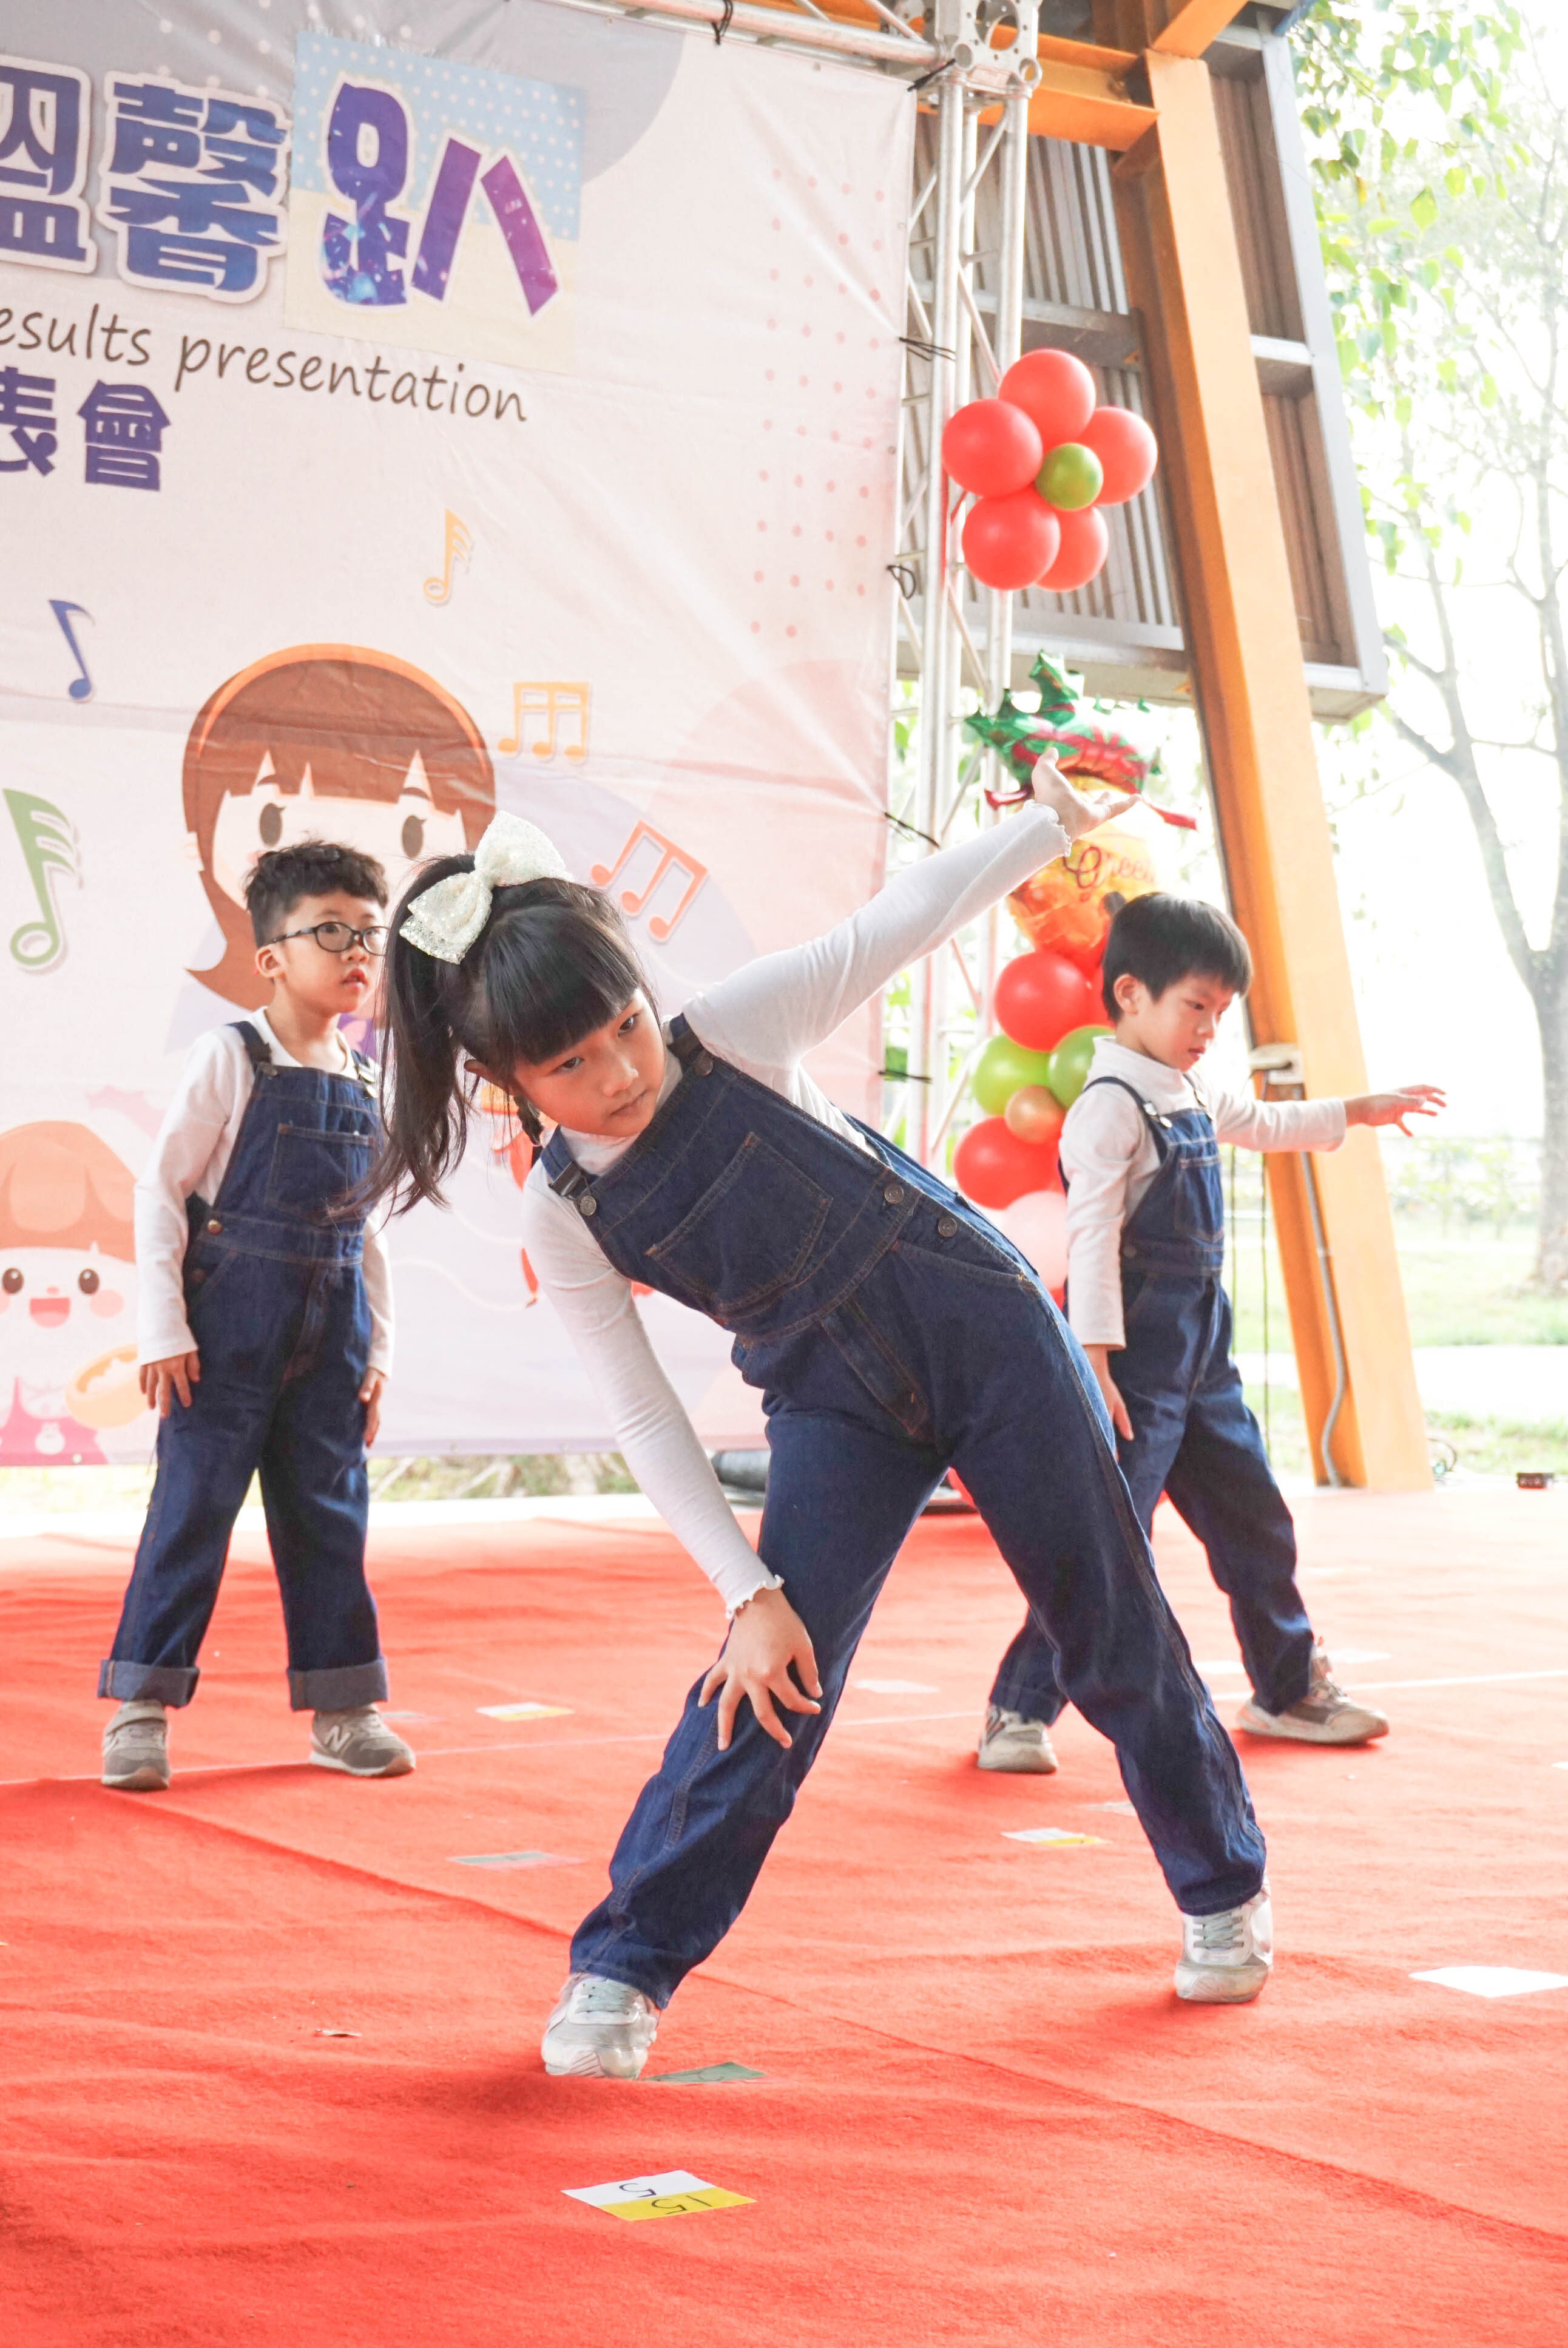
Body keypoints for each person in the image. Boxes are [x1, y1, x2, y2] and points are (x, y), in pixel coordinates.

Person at [374, 785, 1277, 2085]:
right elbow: (643, 1412)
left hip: (988, 1335)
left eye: (623, 1024)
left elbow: (901, 919)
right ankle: (622, 1966)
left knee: (1108, 1624)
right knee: (767, 1680)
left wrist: (1047, 824)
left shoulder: (731, 1032)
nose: (620, 1073)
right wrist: (745, 1593)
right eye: (569, 1065)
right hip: (830, 1405)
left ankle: (1223, 1886)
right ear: (499, 1078)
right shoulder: (563, 1215)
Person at [979, 892, 1442, 1779]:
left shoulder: (1188, 1087)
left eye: (1221, 1013)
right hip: (1133, 1364)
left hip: (1203, 1356)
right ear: (1130, 995)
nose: (1209, 1029)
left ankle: (1286, 1688)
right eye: (1196, 1006)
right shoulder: (1109, 1106)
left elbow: (1264, 1123)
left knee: (1254, 1520)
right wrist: (1095, 1364)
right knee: (1108, 1541)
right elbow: (1091, 1242)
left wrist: (1358, 1109)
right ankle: (1019, 1706)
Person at [99, 842, 413, 1793]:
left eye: (369, 933)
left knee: (330, 1519)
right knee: (190, 1512)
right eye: (330, 931)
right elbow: (162, 1191)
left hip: (333, 1340)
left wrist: (378, 1351)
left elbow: (369, 1232)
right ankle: (140, 1706)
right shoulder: (231, 1057)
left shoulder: (368, 1079)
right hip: (225, 1336)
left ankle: (344, 1709)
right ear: (270, 956)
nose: (356, 951)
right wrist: (165, 1327)